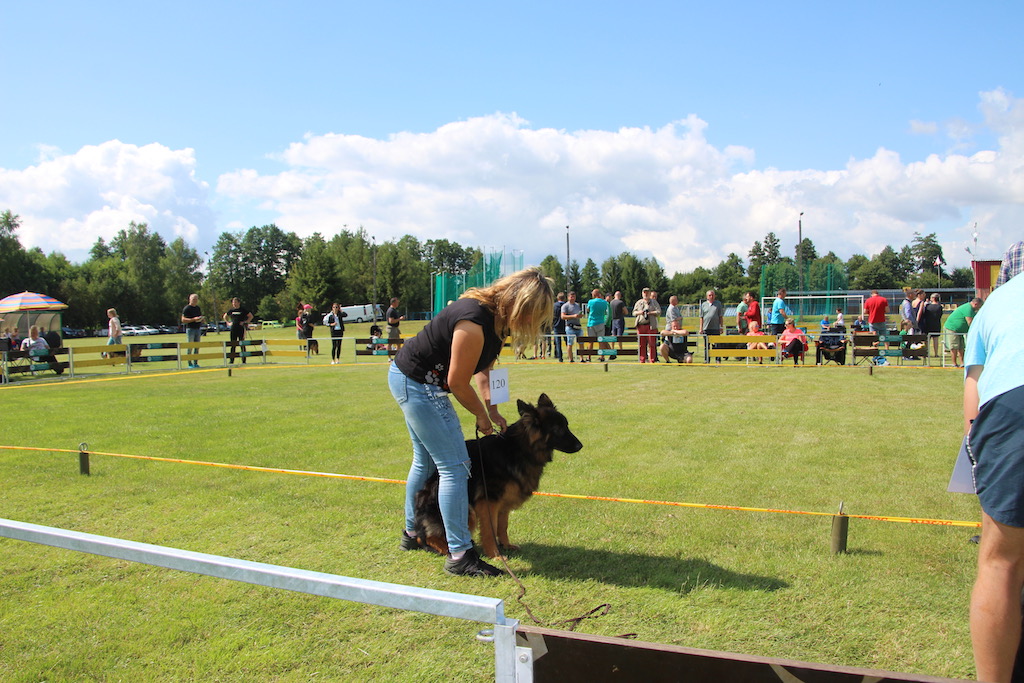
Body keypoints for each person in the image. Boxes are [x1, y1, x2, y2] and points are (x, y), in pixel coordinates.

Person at [391, 266, 554, 577]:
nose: (534, 322)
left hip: (413, 379)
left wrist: (492, 410)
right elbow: (456, 381)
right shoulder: (474, 321)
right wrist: (479, 414)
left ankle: (413, 534)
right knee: (455, 465)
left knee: (425, 463)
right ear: (520, 304)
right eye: (534, 313)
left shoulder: (497, 325)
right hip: (418, 383)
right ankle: (460, 554)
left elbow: (484, 372)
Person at [964, 241, 1024, 683]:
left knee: (1001, 560)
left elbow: (974, 402)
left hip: (1012, 403)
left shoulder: (993, 305)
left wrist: (978, 459)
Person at [944, 297, 982, 368]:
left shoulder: (972, 310)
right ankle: (954, 363)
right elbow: (970, 322)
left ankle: (962, 363)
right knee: (954, 346)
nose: (979, 308)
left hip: (961, 331)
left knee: (961, 347)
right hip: (952, 328)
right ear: (975, 304)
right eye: (979, 307)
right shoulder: (968, 308)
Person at [632, 287, 661, 363]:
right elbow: (634, 313)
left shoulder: (654, 302)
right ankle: (642, 359)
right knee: (641, 344)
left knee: (652, 344)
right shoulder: (639, 302)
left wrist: (651, 313)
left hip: (651, 326)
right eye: (644, 292)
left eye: (647, 292)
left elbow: (659, 312)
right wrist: (640, 312)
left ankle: (652, 359)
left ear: (650, 293)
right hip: (641, 325)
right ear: (642, 293)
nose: (646, 294)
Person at [223, 297, 253, 365]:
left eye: (235, 302)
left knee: (242, 344)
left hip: (241, 328)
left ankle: (243, 360)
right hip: (233, 328)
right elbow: (225, 316)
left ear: (239, 303)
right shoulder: (231, 310)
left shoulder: (243, 310)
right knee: (233, 344)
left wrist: (245, 322)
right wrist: (228, 323)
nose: (234, 304)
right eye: (233, 302)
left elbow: (250, 316)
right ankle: (231, 360)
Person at [586, 289, 609, 362]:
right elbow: (605, 312)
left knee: (590, 341)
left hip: (591, 323)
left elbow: (588, 310)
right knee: (601, 341)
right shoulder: (604, 302)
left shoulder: (590, 301)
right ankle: (602, 356)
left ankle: (589, 357)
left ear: (594, 294)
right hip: (601, 322)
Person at [181, 293, 204, 368]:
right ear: (190, 299)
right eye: (193, 299)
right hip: (190, 329)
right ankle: (189, 363)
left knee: (197, 346)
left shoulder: (198, 308)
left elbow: (199, 317)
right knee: (190, 346)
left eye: (196, 299)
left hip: (198, 329)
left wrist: (201, 319)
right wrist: (193, 319)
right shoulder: (187, 308)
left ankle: (195, 363)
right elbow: (183, 319)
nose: (195, 301)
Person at [918, 293, 945, 357]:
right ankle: (936, 353)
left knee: (927, 340)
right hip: (936, 324)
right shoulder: (939, 307)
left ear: (932, 298)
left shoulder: (927, 306)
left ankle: (926, 352)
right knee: (935, 339)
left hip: (927, 324)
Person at [560, 291, 583, 363]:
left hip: (578, 326)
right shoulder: (565, 306)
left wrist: (579, 316)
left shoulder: (577, 305)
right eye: (571, 296)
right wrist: (573, 316)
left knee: (581, 343)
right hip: (570, 327)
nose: (572, 298)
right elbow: (563, 316)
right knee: (570, 343)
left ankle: (581, 358)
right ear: (568, 297)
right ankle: (571, 359)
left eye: (574, 296)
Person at [551, 292, 566, 362]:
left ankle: (560, 357)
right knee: (567, 341)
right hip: (565, 325)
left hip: (556, 325)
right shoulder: (566, 305)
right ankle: (570, 355)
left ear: (557, 298)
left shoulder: (554, 306)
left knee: (557, 342)